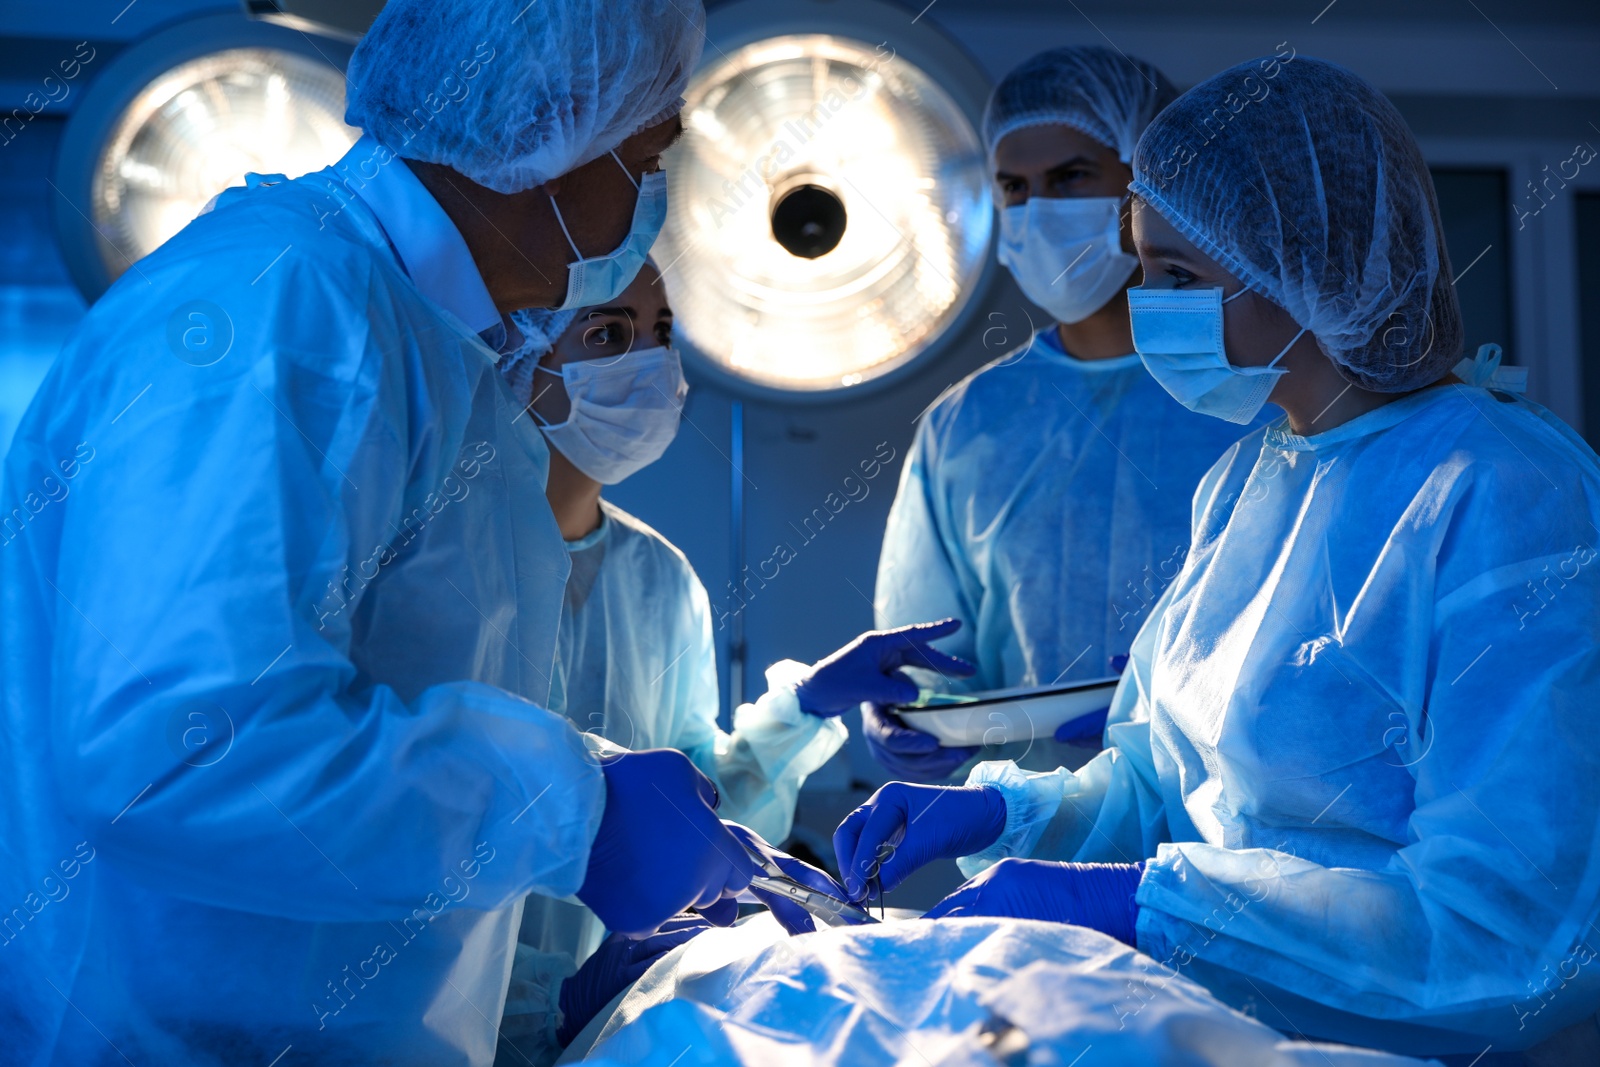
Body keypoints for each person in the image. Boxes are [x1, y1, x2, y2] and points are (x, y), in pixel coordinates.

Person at [0, 2, 773, 1064]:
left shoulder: (431, 348)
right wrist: (573, 807)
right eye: (651, 156)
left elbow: (369, 699)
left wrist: (588, 780)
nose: (653, 204)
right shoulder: (286, 313)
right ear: (548, 140)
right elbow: (180, 755)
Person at [837, 56, 1600, 1059]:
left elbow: (1511, 933)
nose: (1146, 307)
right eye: (1144, 268)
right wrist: (999, 811)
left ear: (1308, 263)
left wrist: (1139, 901)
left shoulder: (1503, 495)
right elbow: (1165, 785)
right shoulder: (1252, 477)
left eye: (1177, 280)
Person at [493, 265, 969, 1060]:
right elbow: (405, 823)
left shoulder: (660, 578)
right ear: (516, 351)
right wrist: (538, 996)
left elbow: (698, 804)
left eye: (664, 331)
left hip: (612, 1033)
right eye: (608, 334)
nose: (649, 362)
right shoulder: (452, 574)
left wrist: (808, 704)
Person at [869, 46, 1272, 783]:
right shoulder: (966, 426)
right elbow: (935, 662)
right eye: (1013, 187)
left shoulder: (1252, 395)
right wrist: (914, 712)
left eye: (1070, 178)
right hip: (1021, 837)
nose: (1037, 212)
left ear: (1151, 179)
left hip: (1224, 849)